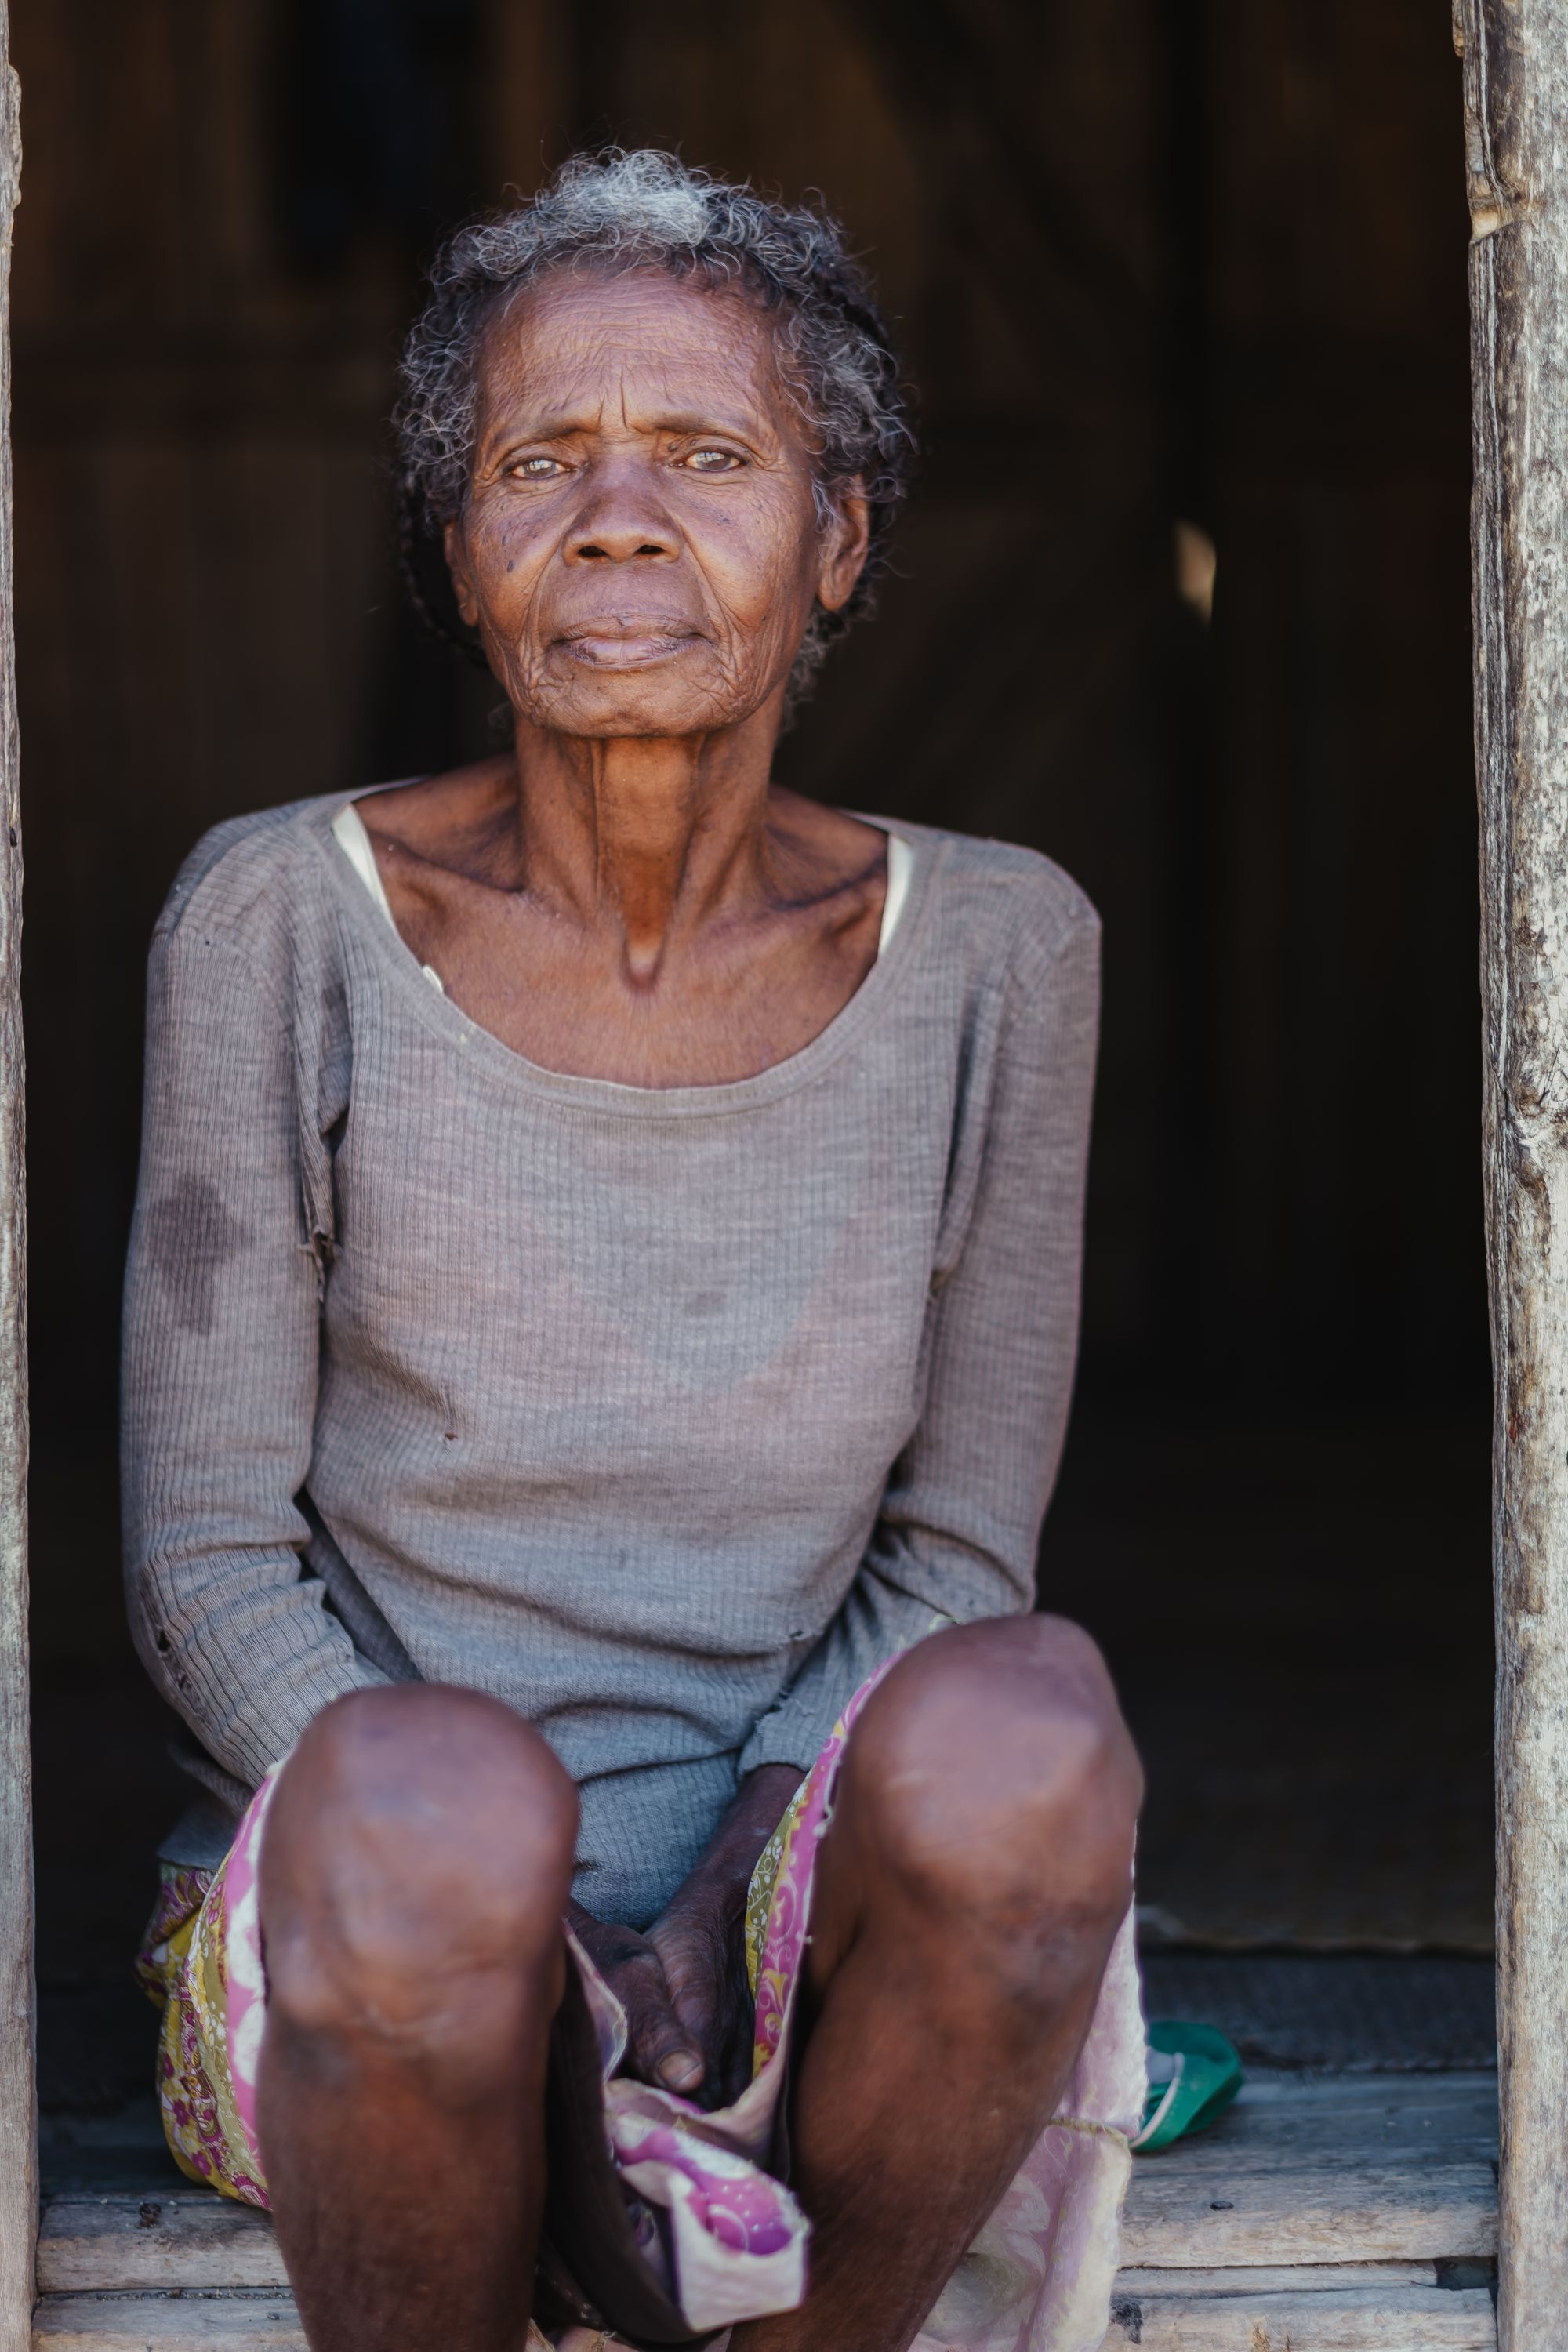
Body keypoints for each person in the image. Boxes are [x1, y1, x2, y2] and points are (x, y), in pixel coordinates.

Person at [123, 150, 1143, 2352]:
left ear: (837, 534)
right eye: (537, 462)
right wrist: (522, 1947)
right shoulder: (278, 923)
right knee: (438, 1808)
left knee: (1035, 1734)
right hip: (371, 1938)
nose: (617, 517)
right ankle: (584, 2180)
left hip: (794, 1940)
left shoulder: (1001, 957)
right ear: (463, 551)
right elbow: (203, 1556)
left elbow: (964, 1550)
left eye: (708, 455)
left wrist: (704, 1933)